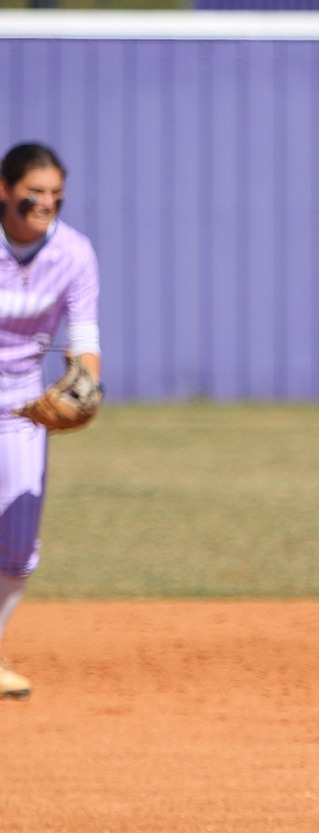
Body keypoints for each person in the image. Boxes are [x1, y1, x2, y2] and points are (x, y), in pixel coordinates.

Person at [0, 143, 103, 700]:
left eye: (55, 196)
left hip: (20, 404)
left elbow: (84, 340)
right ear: (3, 188)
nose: (44, 204)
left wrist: (85, 391)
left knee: (18, 550)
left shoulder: (74, 254)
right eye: (32, 193)